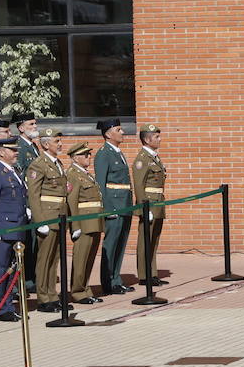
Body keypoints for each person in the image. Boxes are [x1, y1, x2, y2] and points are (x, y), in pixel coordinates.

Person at [0, 138, 27, 322]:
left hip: (17, 225)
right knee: (1, 269)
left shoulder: (13, 170)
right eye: (12, 150)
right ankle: (1, 307)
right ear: (1, 152)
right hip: (4, 227)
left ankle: (8, 304)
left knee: (13, 268)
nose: (16, 152)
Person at [26, 128, 67, 313]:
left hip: (59, 216)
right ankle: (43, 298)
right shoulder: (38, 165)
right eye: (56, 141)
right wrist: (40, 221)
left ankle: (52, 295)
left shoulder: (57, 163)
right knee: (44, 259)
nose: (60, 144)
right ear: (45, 144)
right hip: (48, 217)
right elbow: (34, 196)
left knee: (54, 258)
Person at [94, 118, 133, 295]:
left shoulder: (118, 152)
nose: (122, 132)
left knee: (121, 243)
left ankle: (116, 279)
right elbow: (101, 184)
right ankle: (108, 281)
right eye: (119, 129)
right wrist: (108, 209)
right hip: (114, 206)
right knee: (111, 244)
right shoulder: (104, 154)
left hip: (124, 204)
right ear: (109, 134)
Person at [65, 143, 104, 305]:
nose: (89, 157)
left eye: (89, 154)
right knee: (81, 258)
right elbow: (72, 201)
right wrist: (75, 226)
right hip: (83, 222)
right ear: (75, 158)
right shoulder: (73, 174)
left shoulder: (85, 174)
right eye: (85, 155)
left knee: (89, 258)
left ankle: (86, 289)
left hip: (94, 221)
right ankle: (78, 292)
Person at [132, 123, 168, 287]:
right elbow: (139, 185)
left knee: (154, 239)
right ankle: (144, 275)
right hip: (149, 203)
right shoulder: (142, 159)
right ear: (147, 139)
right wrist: (143, 208)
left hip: (158, 201)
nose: (160, 139)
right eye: (156, 137)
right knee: (145, 240)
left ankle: (152, 273)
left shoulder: (154, 157)